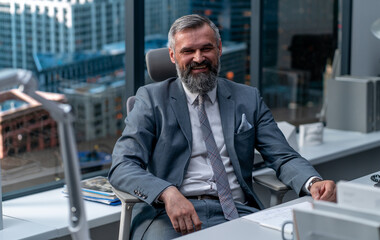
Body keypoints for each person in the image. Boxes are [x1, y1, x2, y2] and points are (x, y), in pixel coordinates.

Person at [109, 14, 336, 240]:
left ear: (219, 49)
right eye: (188, 51)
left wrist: (313, 182)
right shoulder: (151, 99)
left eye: (206, 48)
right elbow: (122, 165)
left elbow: (283, 156)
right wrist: (167, 193)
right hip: (171, 216)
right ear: (172, 56)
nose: (199, 58)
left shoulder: (248, 98)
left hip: (238, 211)